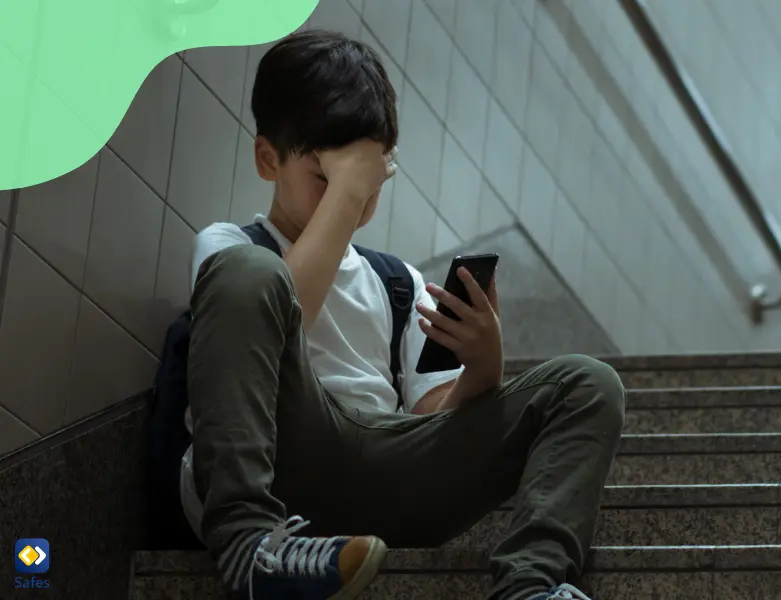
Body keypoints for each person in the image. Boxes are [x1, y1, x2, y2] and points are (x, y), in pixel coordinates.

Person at [179, 29, 626, 600]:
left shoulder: (395, 282)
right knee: (250, 275)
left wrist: (483, 368)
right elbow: (283, 312)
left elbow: (433, 419)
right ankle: (250, 546)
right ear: (269, 160)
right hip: (281, 457)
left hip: (386, 472)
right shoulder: (231, 250)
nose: (356, 198)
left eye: (369, 181)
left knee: (588, 383)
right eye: (330, 178)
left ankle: (530, 586)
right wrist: (344, 197)